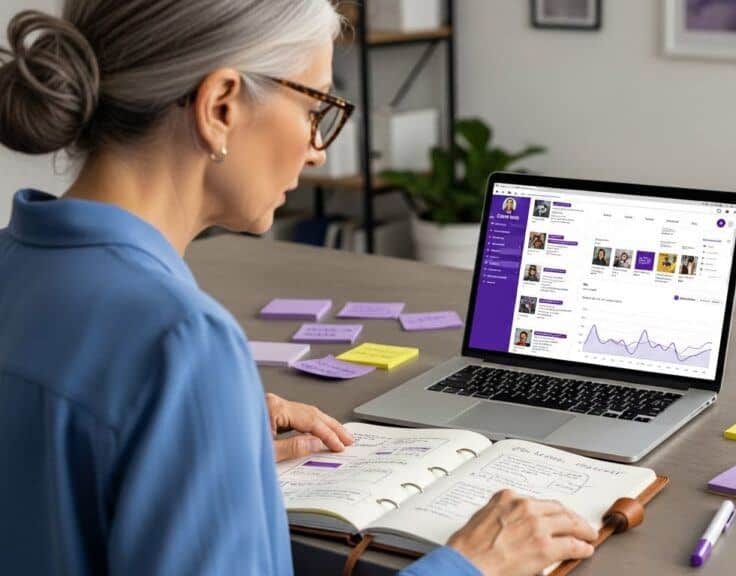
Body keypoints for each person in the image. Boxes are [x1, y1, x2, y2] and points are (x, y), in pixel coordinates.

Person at [0, 3, 597, 575]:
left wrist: (198, 442)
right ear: (220, 107)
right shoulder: (182, 342)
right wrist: (469, 564)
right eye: (315, 108)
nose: (316, 152)